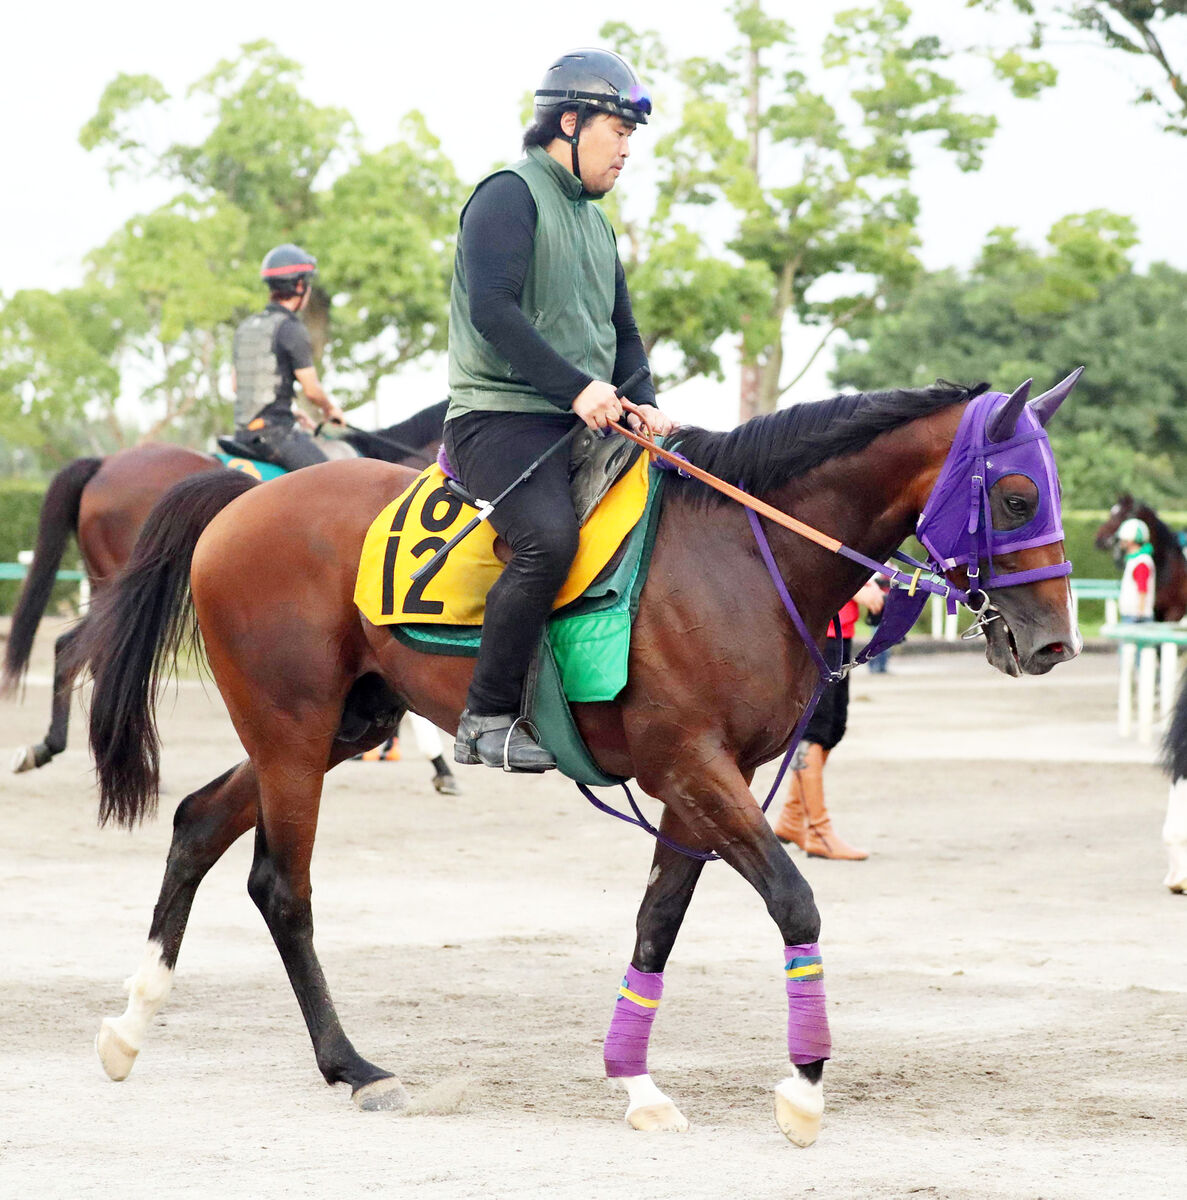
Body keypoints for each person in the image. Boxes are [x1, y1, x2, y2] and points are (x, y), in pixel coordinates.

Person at [444, 48, 675, 772]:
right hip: (498, 418)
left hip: (585, 419)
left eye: (632, 136)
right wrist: (578, 389)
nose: (627, 149)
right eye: (619, 131)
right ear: (568, 123)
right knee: (547, 540)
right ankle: (485, 718)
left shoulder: (598, 223)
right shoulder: (507, 194)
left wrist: (646, 401)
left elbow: (624, 335)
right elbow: (492, 312)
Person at [772, 581, 884, 860]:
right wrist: (855, 586)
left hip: (839, 630)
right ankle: (818, 831)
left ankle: (792, 819)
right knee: (814, 730)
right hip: (818, 629)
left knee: (833, 728)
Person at [231, 243, 345, 471]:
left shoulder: (247, 327)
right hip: (275, 435)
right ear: (300, 285)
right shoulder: (291, 328)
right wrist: (330, 410)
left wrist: (288, 412)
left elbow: (237, 385)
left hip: (242, 435)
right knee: (332, 478)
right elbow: (312, 391)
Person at [1117, 517, 1155, 623]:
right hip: (1132, 615)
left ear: (1130, 540)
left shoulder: (1141, 562)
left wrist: (1140, 613)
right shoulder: (1136, 560)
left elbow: (1142, 589)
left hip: (1136, 617)